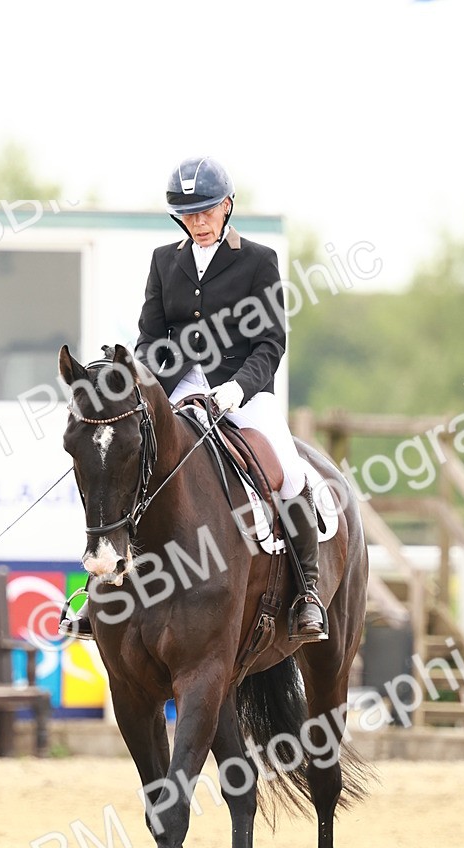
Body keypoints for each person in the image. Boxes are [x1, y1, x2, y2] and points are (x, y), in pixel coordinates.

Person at [61, 156, 328, 643]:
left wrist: (238, 388)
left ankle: (307, 590)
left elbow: (271, 343)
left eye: (206, 212)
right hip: (177, 387)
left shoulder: (258, 261)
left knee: (289, 472)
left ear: (227, 207)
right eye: (189, 215)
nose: (198, 223)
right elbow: (149, 337)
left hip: (242, 390)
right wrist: (142, 379)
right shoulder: (166, 261)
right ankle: (104, 589)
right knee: (124, 458)